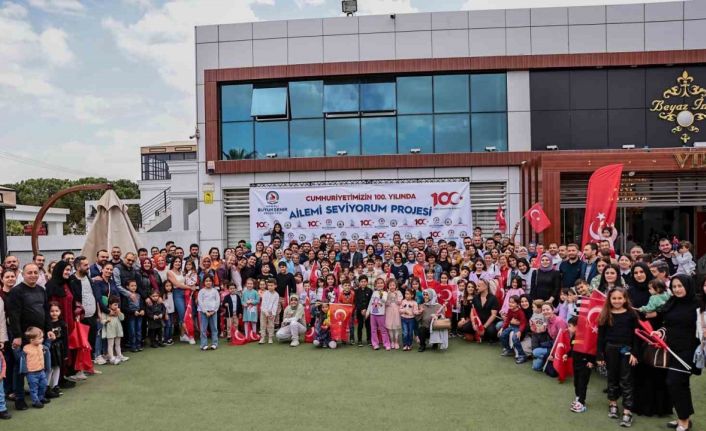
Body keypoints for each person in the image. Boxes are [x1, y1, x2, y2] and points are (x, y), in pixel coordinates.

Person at [654, 275, 700, 431]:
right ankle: (683, 417)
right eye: (674, 287)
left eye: (680, 286)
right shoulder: (672, 302)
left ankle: (684, 420)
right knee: (680, 384)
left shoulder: (698, 304)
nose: (677, 289)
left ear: (688, 286)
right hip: (671, 349)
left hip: (689, 350)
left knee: (674, 382)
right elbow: (668, 324)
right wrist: (661, 332)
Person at [7, 263, 56, 410]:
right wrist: (17, 336)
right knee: (21, 368)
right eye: (30, 272)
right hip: (22, 338)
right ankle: (19, 399)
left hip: (39, 337)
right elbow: (13, 315)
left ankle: (40, 395)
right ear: (23, 274)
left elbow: (46, 311)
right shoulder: (16, 292)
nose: (33, 275)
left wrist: (49, 329)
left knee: (40, 366)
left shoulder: (41, 290)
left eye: (35, 272)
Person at [596, 287, 639, 428]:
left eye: (620, 298)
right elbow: (600, 337)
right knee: (612, 377)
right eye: (614, 298)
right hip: (610, 349)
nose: (617, 301)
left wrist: (634, 353)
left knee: (626, 380)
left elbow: (636, 336)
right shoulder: (605, 314)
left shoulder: (631, 315)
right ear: (609, 299)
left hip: (626, 350)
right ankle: (613, 403)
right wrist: (600, 354)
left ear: (625, 299)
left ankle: (627, 410)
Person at [566, 316, 595, 413]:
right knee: (576, 382)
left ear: (577, 326)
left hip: (585, 364)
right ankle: (578, 398)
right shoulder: (574, 337)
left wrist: (591, 361)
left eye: (569, 326)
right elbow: (572, 349)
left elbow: (592, 350)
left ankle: (582, 403)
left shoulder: (587, 337)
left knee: (582, 383)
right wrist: (567, 355)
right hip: (576, 364)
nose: (568, 328)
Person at [21, 327, 50, 409]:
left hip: (41, 371)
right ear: (32, 340)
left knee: (43, 385)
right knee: (34, 388)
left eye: (42, 337)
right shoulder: (26, 348)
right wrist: (24, 370)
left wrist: (49, 341)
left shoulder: (41, 346)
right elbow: (22, 359)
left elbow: (46, 349)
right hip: (31, 373)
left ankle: (41, 397)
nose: (42, 339)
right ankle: (35, 401)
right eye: (40, 338)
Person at [46, 302, 68, 398]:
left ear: (60, 311)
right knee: (49, 367)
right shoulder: (47, 324)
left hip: (59, 348)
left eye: (56, 311)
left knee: (57, 367)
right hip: (50, 347)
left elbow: (65, 339)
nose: (54, 313)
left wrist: (66, 352)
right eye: (52, 311)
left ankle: (55, 385)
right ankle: (47, 386)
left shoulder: (62, 324)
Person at [499, 295, 527, 364]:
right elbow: (507, 320)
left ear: (517, 304)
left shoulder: (520, 312)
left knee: (515, 338)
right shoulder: (510, 310)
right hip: (511, 326)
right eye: (510, 302)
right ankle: (509, 350)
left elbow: (523, 323)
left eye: (513, 302)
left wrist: (520, 331)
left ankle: (522, 355)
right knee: (502, 335)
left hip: (518, 328)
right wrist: (502, 328)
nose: (510, 304)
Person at [365, 278, 390, 351]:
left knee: (383, 330)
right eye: (378, 283)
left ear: (384, 284)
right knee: (373, 330)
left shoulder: (385, 293)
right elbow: (370, 302)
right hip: (373, 314)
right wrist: (368, 312)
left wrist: (381, 295)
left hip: (381, 314)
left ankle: (386, 344)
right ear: (376, 285)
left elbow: (384, 301)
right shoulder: (374, 292)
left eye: (381, 283)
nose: (380, 284)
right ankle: (375, 344)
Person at [197, 275, 219, 351]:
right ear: (204, 282)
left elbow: (217, 301)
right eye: (206, 281)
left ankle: (214, 344)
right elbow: (200, 302)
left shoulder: (215, 291)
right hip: (204, 313)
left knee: (214, 328)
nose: (208, 282)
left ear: (212, 282)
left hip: (213, 312)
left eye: (210, 281)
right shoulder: (201, 291)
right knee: (203, 329)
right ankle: (203, 345)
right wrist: (205, 311)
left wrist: (214, 311)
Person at [101, 296, 125, 365]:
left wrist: (119, 313)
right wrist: (106, 321)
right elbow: (102, 321)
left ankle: (119, 355)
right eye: (115, 305)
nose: (116, 306)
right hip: (110, 330)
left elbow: (122, 318)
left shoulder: (118, 311)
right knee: (110, 345)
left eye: (117, 304)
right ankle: (111, 357)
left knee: (118, 344)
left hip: (118, 330)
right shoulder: (106, 312)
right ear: (110, 305)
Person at [125, 280, 144, 353]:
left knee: (139, 330)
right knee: (132, 331)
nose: (134, 287)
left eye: (135, 285)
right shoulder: (126, 296)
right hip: (131, 316)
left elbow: (141, 304)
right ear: (127, 287)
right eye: (132, 286)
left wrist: (142, 310)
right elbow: (124, 307)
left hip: (139, 316)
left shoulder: (138, 295)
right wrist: (133, 312)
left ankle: (138, 344)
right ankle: (133, 345)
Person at [259, 278, 279, 345]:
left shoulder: (276, 295)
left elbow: (275, 305)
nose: (270, 287)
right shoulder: (265, 293)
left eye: (271, 285)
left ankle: (270, 337)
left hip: (271, 313)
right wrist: (266, 312)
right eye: (269, 285)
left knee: (271, 325)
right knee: (263, 324)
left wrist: (273, 313)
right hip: (263, 312)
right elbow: (263, 304)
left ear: (275, 286)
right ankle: (262, 337)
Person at [354, 275, 372, 347]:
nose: (363, 283)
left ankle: (369, 339)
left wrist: (366, 310)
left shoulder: (370, 291)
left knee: (368, 325)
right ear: (359, 282)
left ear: (367, 282)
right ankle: (359, 340)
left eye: (365, 281)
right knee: (360, 325)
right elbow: (356, 302)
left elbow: (371, 301)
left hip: (368, 311)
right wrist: (361, 309)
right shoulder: (356, 291)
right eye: (361, 281)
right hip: (359, 311)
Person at [385, 279, 402, 350]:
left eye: (393, 285)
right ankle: (391, 341)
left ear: (396, 286)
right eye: (390, 285)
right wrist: (388, 295)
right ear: (388, 286)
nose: (392, 287)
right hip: (389, 311)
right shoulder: (386, 293)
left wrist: (396, 295)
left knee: (396, 326)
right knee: (390, 326)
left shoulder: (399, 292)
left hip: (396, 311)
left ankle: (396, 342)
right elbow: (386, 303)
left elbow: (399, 302)